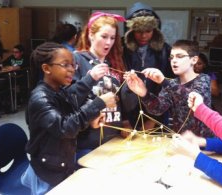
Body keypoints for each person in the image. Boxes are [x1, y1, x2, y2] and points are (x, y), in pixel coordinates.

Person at [21, 42, 117, 194]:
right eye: (65, 65)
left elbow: (73, 98)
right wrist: (99, 103)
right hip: (49, 172)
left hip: (61, 163)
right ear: (46, 68)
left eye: (73, 65)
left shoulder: (58, 90)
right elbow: (65, 128)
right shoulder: (40, 98)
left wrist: (91, 121)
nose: (71, 70)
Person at [124, 40, 214, 137]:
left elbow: (191, 98)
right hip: (181, 141)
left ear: (194, 60)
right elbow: (157, 109)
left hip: (204, 143)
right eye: (171, 57)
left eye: (179, 56)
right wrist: (144, 93)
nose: (174, 60)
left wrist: (163, 81)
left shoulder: (203, 79)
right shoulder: (172, 84)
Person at [73, 11, 130, 153]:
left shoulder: (115, 63)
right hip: (88, 141)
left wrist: (125, 120)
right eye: (104, 36)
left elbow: (119, 99)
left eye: (112, 37)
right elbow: (69, 99)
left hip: (114, 137)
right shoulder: (77, 60)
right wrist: (88, 120)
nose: (109, 42)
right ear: (91, 35)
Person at [121, 2, 175, 130]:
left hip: (156, 114)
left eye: (148, 31)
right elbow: (115, 85)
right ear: (131, 30)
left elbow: (168, 86)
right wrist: (123, 120)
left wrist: (155, 120)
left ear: (155, 30)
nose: (144, 35)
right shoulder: (120, 49)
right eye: (138, 31)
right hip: (126, 115)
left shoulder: (165, 51)